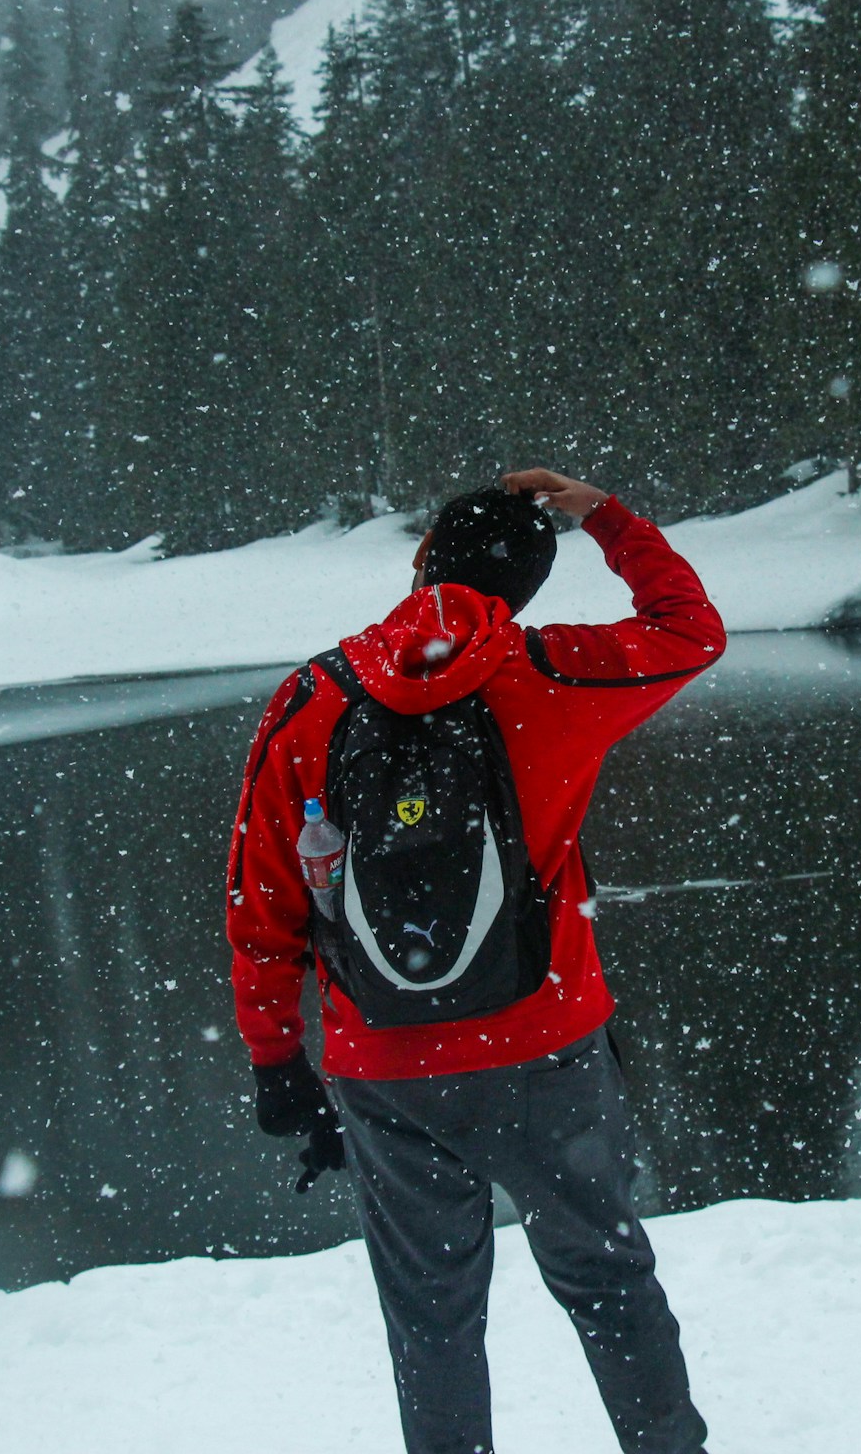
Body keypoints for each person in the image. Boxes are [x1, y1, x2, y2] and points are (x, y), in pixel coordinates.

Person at [225, 467, 724, 1454]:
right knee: (609, 1282)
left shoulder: (312, 697)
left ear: (419, 564)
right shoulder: (554, 672)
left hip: (385, 1069)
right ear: (528, 587)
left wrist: (278, 1061)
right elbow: (690, 627)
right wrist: (607, 517)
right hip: (546, 1049)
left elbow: (260, 902)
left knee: (432, 1318)